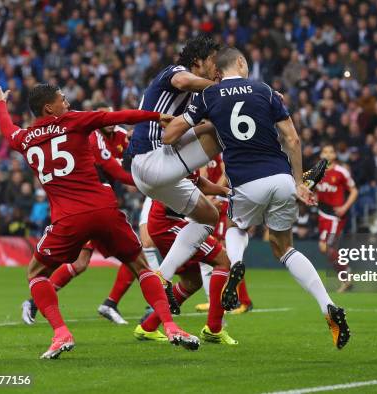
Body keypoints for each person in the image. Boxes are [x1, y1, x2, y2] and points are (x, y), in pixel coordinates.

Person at [0, 82, 199, 359]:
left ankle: (61, 332)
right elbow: (116, 117)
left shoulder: (25, 139)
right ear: (49, 108)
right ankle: (170, 326)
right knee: (140, 266)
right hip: (104, 210)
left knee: (36, 273)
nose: (68, 103)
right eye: (62, 99)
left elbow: (6, 129)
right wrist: (156, 116)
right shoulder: (73, 121)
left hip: (68, 218)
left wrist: (0, 103)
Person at [163, 47, 350, 349]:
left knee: (236, 227)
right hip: (281, 178)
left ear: (220, 71)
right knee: (284, 248)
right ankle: (326, 305)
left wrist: (165, 129)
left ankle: (236, 263)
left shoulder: (209, 96)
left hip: (246, 180)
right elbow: (293, 139)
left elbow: (173, 133)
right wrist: (300, 182)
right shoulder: (265, 90)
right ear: (240, 63)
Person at [126, 36, 225, 311]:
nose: (218, 69)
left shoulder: (194, 99)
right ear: (197, 62)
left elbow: (185, 130)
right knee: (220, 134)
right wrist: (230, 88)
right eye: (214, 62)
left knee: (209, 217)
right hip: (151, 159)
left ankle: (162, 277)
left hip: (155, 174)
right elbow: (183, 81)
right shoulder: (174, 72)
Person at [21, 105, 140, 325]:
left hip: (102, 206)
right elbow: (112, 168)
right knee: (88, 262)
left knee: (130, 256)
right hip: (86, 205)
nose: (110, 122)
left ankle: (111, 303)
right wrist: (145, 183)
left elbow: (133, 147)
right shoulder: (93, 135)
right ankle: (35, 301)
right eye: (106, 116)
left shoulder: (120, 135)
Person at [137, 191, 239, 345]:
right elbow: (169, 198)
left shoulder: (187, 169)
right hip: (169, 224)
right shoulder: (175, 169)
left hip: (167, 223)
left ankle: (147, 327)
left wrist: (222, 191)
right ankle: (214, 329)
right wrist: (205, 206)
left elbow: (199, 183)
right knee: (223, 261)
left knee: (192, 282)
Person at [197, 154, 253, 314]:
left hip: (223, 201)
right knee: (220, 255)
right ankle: (219, 299)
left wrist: (212, 193)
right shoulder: (203, 150)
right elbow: (203, 175)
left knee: (226, 256)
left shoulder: (220, 149)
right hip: (213, 201)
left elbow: (226, 173)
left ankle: (243, 301)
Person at [315, 144, 358, 293]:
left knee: (326, 247)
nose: (327, 154)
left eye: (330, 151)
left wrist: (345, 207)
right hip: (322, 214)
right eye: (325, 151)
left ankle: (347, 274)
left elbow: (354, 190)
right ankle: (346, 278)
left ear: (335, 155)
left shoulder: (341, 172)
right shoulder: (317, 172)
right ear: (321, 154)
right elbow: (315, 191)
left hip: (334, 216)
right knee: (327, 250)